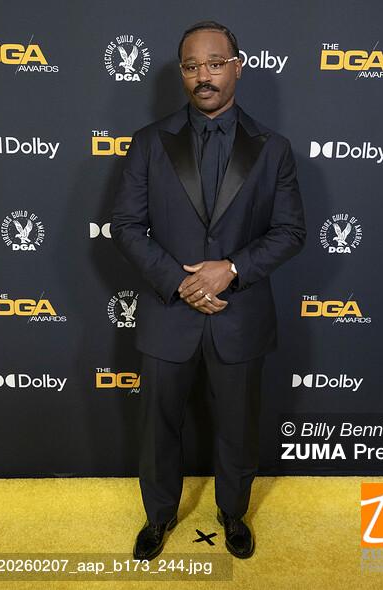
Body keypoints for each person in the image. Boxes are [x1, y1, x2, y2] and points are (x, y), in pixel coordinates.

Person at [110, 19, 307, 561]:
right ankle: (158, 516)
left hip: (239, 314)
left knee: (238, 429)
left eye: (215, 64)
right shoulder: (149, 143)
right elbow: (126, 226)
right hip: (167, 314)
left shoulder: (274, 148)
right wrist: (181, 281)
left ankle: (232, 513)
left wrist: (231, 269)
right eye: (192, 66)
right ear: (182, 73)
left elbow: (291, 231)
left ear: (237, 67)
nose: (204, 76)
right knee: (157, 429)